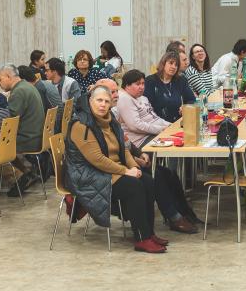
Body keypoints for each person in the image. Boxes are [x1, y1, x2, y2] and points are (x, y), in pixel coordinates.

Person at [64, 86, 167, 253]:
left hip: (109, 170)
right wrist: (126, 171)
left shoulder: (110, 120)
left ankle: (148, 233)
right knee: (134, 187)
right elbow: (97, 159)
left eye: (106, 101)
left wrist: (134, 167)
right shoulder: (81, 125)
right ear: (90, 101)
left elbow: (123, 148)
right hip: (88, 174)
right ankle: (142, 238)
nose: (103, 105)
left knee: (147, 181)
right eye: (99, 100)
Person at [100, 78, 200, 233]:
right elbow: (103, 156)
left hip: (126, 160)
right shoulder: (95, 119)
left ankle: (185, 213)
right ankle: (174, 218)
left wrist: (138, 154)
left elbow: (123, 143)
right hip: (111, 171)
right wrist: (132, 164)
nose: (116, 95)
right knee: (156, 176)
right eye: (111, 92)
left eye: (115, 91)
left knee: (169, 174)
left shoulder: (111, 114)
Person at [0, 63, 45, 196]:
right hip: (36, 135)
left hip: (28, 139)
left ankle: (19, 177)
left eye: (0, 79)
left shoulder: (19, 92)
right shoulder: (27, 86)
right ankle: (26, 172)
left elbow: (9, 121)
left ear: (8, 76)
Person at [116, 70, 172, 148]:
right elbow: (135, 126)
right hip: (140, 141)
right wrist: (162, 129)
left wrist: (170, 125)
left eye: (143, 83)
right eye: (138, 84)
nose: (142, 87)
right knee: (173, 144)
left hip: (152, 134)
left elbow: (154, 118)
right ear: (127, 85)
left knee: (180, 136)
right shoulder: (124, 98)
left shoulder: (143, 98)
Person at [143, 52, 196, 122]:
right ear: (163, 63)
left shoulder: (181, 80)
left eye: (176, 65)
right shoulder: (150, 81)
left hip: (177, 122)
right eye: (171, 63)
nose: (173, 67)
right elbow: (146, 107)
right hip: (157, 123)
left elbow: (192, 100)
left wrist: (185, 107)